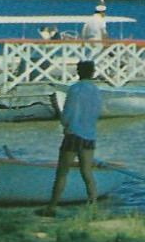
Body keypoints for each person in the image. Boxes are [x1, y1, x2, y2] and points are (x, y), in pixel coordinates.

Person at [39, 59, 104, 216]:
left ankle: (52, 207)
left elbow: (67, 113)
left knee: (62, 172)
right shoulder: (96, 91)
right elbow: (97, 113)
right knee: (87, 172)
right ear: (93, 73)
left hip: (73, 134)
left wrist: (65, 124)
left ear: (78, 72)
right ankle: (93, 206)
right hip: (89, 135)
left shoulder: (74, 89)